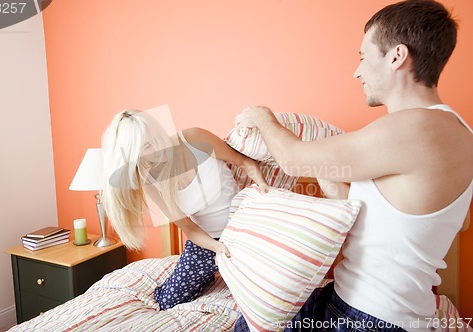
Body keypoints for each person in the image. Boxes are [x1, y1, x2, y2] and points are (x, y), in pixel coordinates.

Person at [235, 0, 472, 331]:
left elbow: (290, 160)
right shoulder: (458, 131)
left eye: (363, 56)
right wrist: (329, 169)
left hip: (370, 317)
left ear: (396, 57)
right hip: (379, 307)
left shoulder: (411, 128)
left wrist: (262, 117)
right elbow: (403, 223)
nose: (356, 71)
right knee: (252, 321)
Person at [101, 109, 270, 310]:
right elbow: (189, 228)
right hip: (209, 241)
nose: (156, 148)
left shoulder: (194, 139)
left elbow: (245, 162)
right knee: (167, 300)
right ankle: (207, 275)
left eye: (155, 138)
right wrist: (218, 249)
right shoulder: (151, 182)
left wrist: (263, 186)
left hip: (244, 230)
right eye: (146, 147)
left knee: (266, 295)